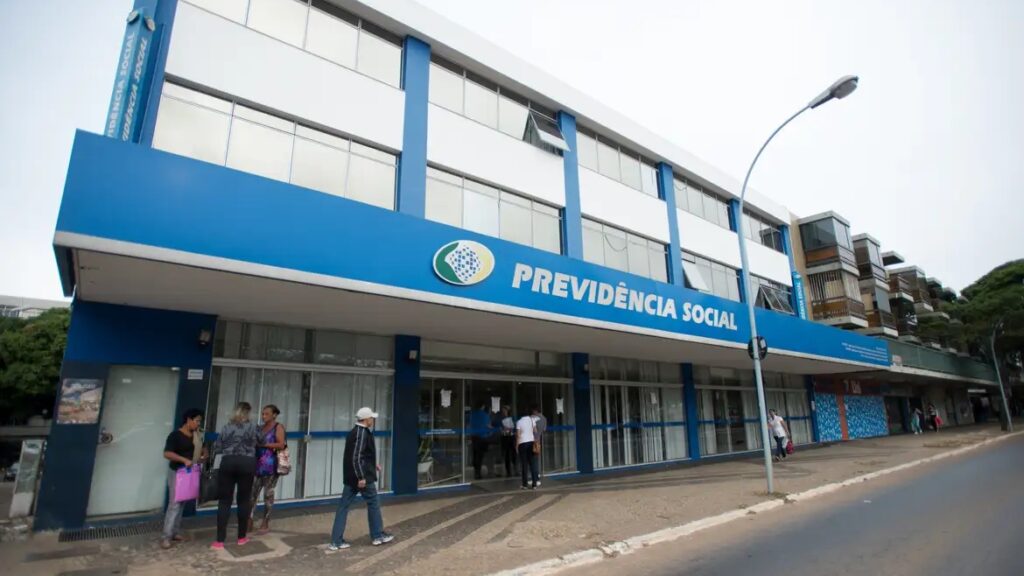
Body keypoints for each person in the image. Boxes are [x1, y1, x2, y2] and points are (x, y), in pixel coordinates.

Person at [328, 407, 394, 552]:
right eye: (371, 418)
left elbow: (361, 455)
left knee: (343, 506)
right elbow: (356, 457)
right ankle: (377, 535)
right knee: (373, 503)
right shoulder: (361, 433)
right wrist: (361, 477)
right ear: (366, 419)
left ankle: (336, 541)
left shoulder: (355, 432)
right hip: (361, 478)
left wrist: (372, 465)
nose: (373, 420)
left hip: (352, 477)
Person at [211, 402, 260, 549]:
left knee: (224, 501)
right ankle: (241, 537)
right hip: (247, 463)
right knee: (243, 500)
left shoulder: (226, 427)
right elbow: (262, 440)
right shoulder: (253, 427)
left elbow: (217, 447)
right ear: (248, 413)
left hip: (228, 462)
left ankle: (220, 540)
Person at [160, 408, 205, 550]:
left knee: (182, 503)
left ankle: (175, 532)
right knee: (174, 504)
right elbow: (167, 453)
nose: (198, 424)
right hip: (177, 472)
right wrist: (183, 460)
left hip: (189, 473)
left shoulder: (196, 436)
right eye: (197, 421)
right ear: (188, 420)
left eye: (199, 421)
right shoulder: (175, 436)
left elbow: (202, 450)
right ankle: (166, 536)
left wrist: (203, 455)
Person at [250, 404, 286, 534]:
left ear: (274, 415)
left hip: (271, 466)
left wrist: (265, 445)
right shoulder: (259, 428)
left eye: (267, 414)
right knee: (252, 494)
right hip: (256, 465)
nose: (263, 416)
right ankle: (249, 520)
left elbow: (281, 444)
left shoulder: (278, 427)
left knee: (268, 495)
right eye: (262, 414)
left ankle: (265, 521)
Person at [516, 407, 539, 490]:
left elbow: (518, 435)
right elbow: (535, 431)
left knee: (524, 465)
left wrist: (516, 446)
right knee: (533, 464)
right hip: (531, 443)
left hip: (522, 444)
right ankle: (534, 484)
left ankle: (525, 485)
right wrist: (535, 440)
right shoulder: (532, 420)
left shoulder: (519, 422)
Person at [469, 403, 493, 479]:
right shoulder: (485, 415)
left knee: (475, 455)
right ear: (482, 406)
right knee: (480, 456)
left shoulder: (472, 415)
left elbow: (469, 425)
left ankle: (476, 472)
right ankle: (478, 473)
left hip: (474, 437)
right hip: (482, 437)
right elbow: (488, 426)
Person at [530, 405, 546, 487]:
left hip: (532, 441)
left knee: (533, 461)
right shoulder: (544, 418)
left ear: (535, 411)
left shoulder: (533, 418)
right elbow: (544, 429)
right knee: (536, 459)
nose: (532, 412)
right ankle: (536, 477)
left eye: (533, 411)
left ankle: (536, 479)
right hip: (538, 441)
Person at [499, 405, 517, 477]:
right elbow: (501, 428)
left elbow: (513, 428)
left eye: (505, 410)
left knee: (513, 454)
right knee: (507, 454)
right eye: (503, 411)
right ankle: (508, 471)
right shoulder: (501, 419)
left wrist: (508, 429)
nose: (503, 412)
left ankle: (515, 469)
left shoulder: (512, 418)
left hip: (511, 437)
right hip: (505, 437)